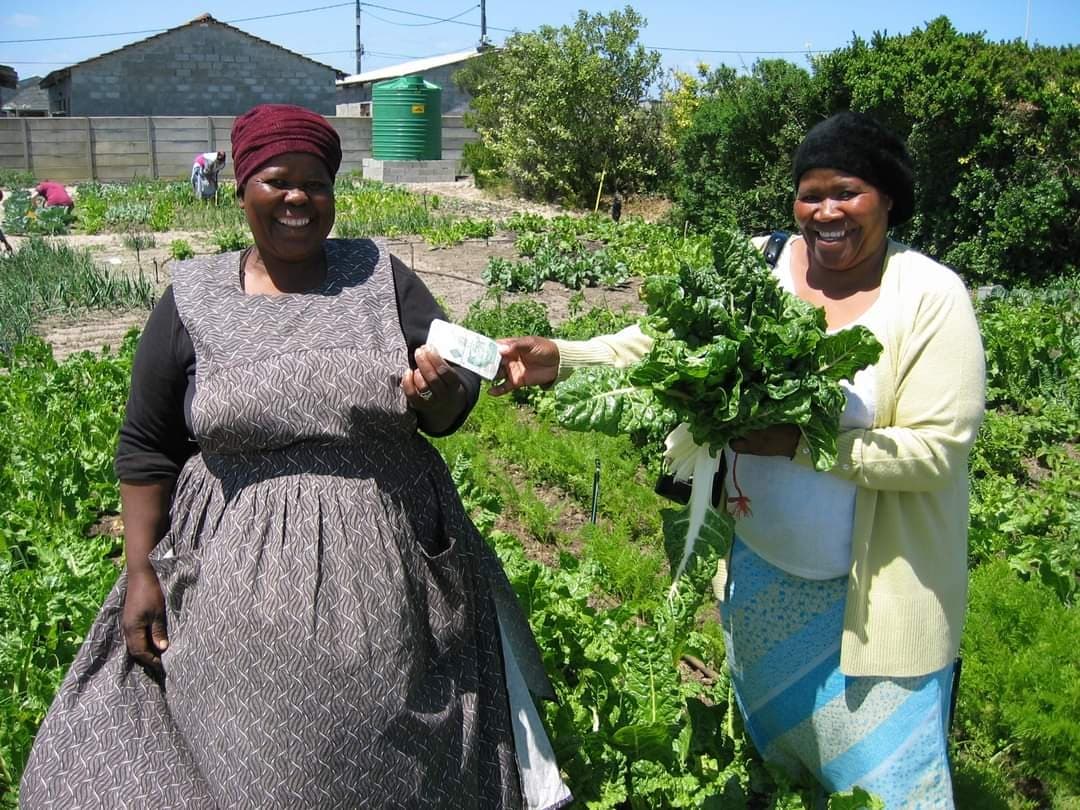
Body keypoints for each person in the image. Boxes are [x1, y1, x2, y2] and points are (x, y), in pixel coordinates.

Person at [21, 104, 571, 810]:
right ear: (242, 187)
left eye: (316, 183)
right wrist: (139, 574)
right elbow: (147, 445)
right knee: (235, 754)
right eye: (277, 180)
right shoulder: (192, 298)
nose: (297, 199)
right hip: (228, 577)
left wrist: (434, 393)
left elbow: (452, 398)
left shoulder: (380, 275)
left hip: (390, 572)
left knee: (393, 747)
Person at [492, 111, 985, 808]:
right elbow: (650, 346)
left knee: (887, 786)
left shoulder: (931, 296)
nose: (826, 211)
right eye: (810, 193)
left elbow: (935, 453)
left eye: (847, 191)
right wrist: (561, 357)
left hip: (877, 606)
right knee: (781, 767)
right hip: (762, 581)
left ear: (890, 198)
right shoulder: (756, 264)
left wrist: (801, 442)